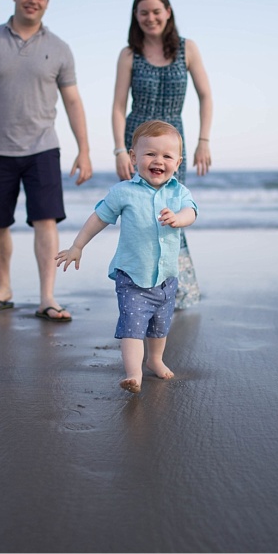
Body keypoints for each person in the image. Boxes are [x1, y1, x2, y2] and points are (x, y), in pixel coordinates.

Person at [0, 0, 92, 322]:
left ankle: (47, 297)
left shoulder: (59, 48)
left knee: (46, 220)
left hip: (43, 148)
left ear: (48, 2)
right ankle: (3, 289)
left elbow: (73, 102)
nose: (33, 0)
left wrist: (85, 149)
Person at [56, 121, 197, 394]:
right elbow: (98, 218)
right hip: (132, 277)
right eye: (150, 154)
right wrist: (77, 246)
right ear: (133, 157)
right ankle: (134, 373)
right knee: (132, 327)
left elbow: (191, 212)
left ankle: (155, 359)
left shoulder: (179, 193)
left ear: (178, 162)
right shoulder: (123, 192)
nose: (158, 161)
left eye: (167, 156)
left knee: (159, 326)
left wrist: (179, 219)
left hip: (166, 278)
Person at [111, 0, 213, 310]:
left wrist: (203, 141)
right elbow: (117, 105)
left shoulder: (188, 49)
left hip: (172, 142)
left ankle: (175, 288)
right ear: (136, 17)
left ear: (168, 12)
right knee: (139, 213)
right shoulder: (129, 54)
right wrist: (118, 149)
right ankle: (139, 286)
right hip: (137, 141)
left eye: (156, 11)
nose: (150, 18)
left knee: (172, 211)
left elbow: (206, 96)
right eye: (143, 13)